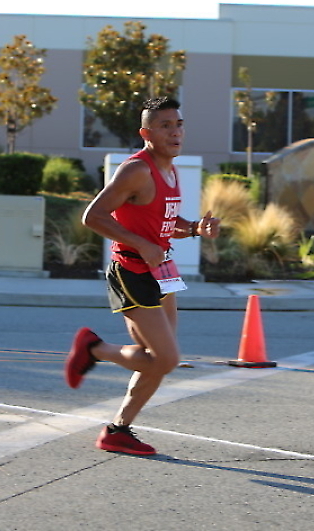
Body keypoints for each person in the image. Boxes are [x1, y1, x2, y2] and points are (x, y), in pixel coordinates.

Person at [64, 97, 220, 456]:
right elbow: (93, 216)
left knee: (157, 359)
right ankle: (95, 349)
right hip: (132, 270)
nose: (175, 132)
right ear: (146, 133)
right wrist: (141, 244)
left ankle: (118, 430)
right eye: (165, 126)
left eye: (178, 124)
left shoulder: (171, 170)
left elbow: (164, 221)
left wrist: (195, 228)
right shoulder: (137, 170)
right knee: (166, 359)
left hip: (161, 270)